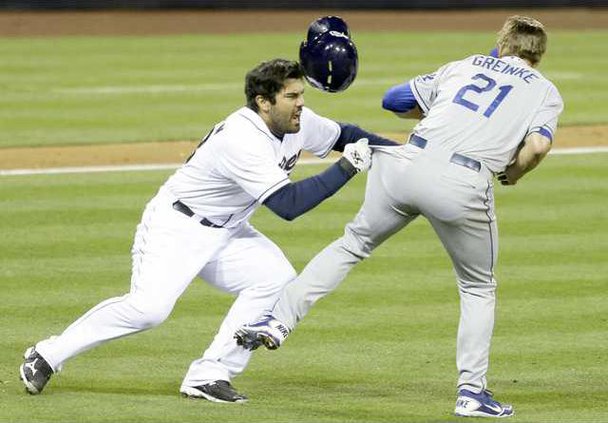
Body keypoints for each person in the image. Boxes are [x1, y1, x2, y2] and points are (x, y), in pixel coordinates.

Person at [235, 16, 563, 418]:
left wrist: (437, 109)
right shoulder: (546, 92)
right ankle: (471, 393)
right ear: (539, 55)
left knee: (351, 245)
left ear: (501, 45)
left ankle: (277, 321)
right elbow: (538, 147)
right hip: (461, 183)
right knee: (478, 286)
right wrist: (512, 173)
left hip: (404, 163)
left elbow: (393, 101)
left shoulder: (465, 65)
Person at [19, 58, 400, 403]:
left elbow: (344, 134)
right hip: (177, 226)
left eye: (301, 94)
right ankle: (48, 353)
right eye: (292, 96)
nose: (301, 102)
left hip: (229, 230)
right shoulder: (243, 137)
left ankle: (210, 374)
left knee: (275, 279)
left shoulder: (296, 122)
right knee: (149, 310)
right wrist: (345, 169)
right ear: (263, 102)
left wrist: (405, 152)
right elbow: (288, 206)